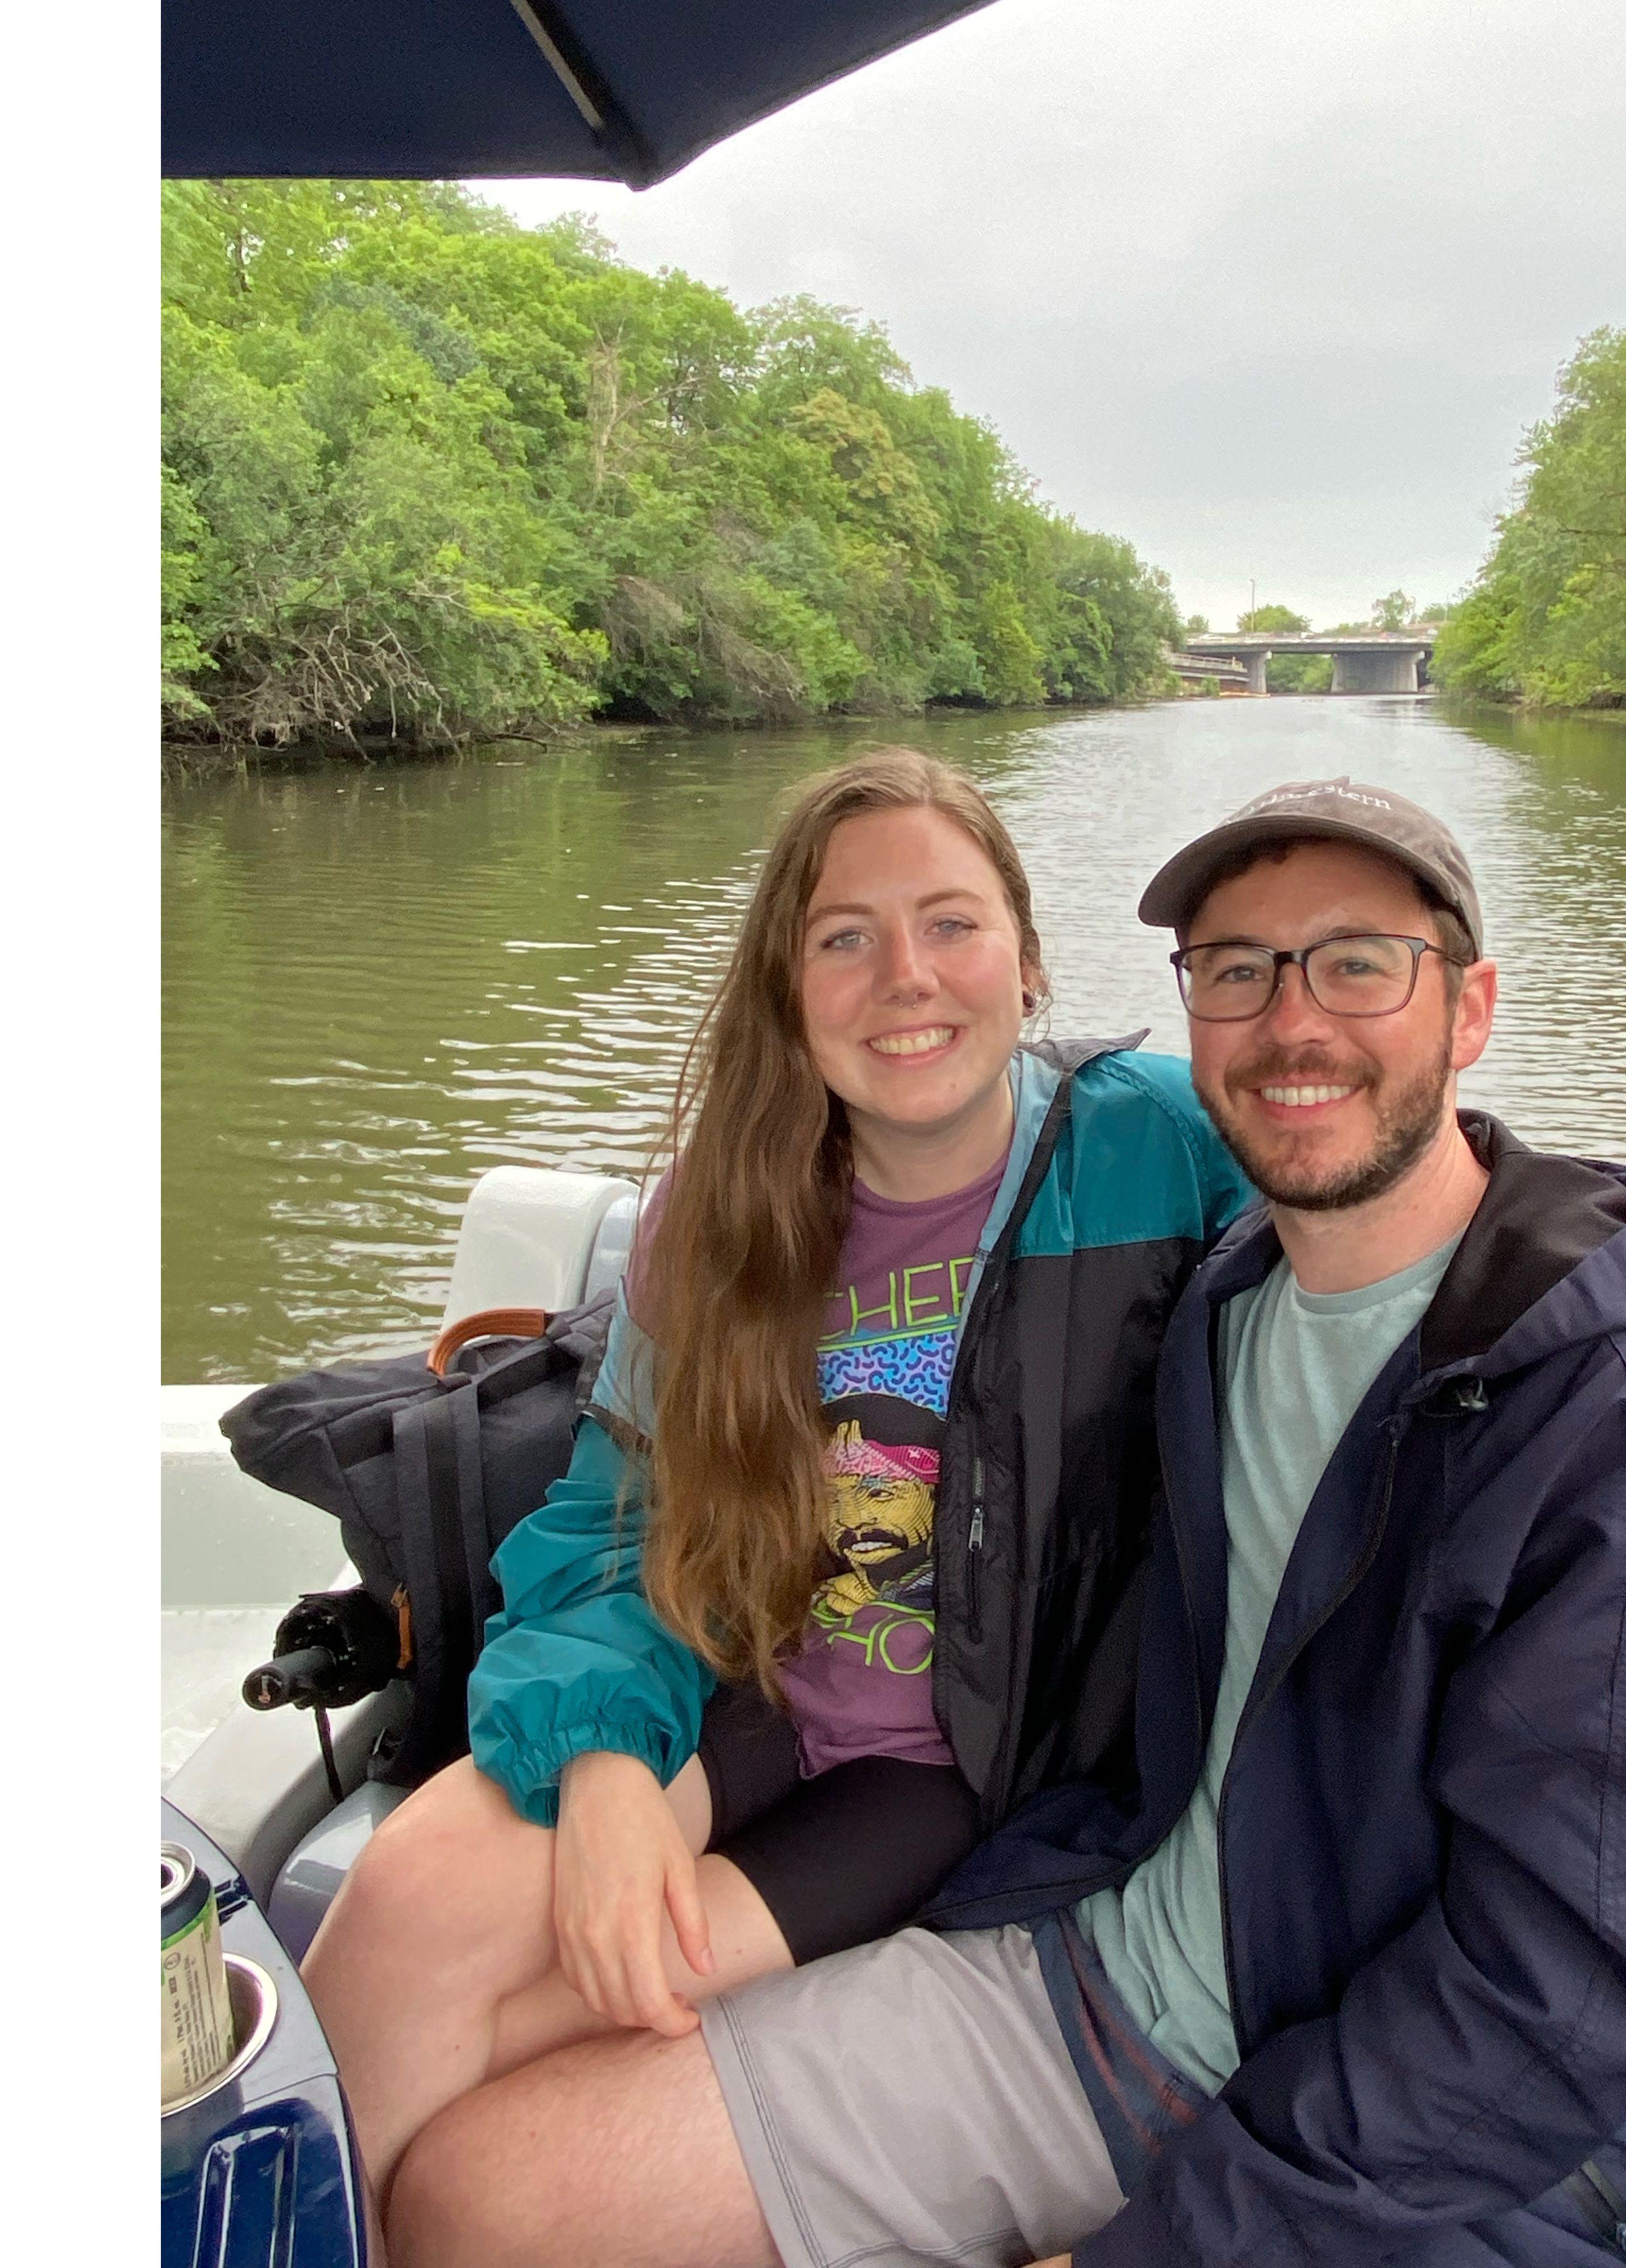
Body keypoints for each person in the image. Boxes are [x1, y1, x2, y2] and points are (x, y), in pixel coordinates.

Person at [385, 775, 1626, 2268]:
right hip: (1087, 1956)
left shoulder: (1619, 1419)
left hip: (1408, 2154)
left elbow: (1549, 2008)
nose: (1295, 1024)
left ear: (1474, 1006)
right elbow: (657, 1513)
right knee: (475, 2191)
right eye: (1239, 972)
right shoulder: (1229, 1292)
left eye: (1360, 963)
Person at [302, 748, 1251, 2226]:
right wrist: (610, 1761)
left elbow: (1375, 1204)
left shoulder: (1156, 1149)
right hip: (741, 1692)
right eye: (843, 938)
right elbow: (615, 1527)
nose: (904, 979)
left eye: (950, 923)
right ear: (786, 987)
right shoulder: (721, 1209)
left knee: (522, 2065)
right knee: (408, 1903)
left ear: (1027, 956)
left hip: (956, 1773)